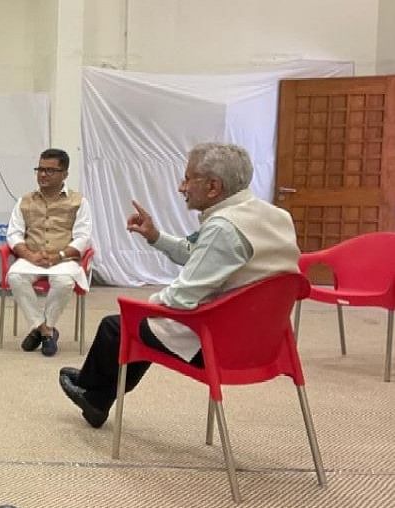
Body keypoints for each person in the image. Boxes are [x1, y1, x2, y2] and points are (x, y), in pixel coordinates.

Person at [60, 142, 300, 428]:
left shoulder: (224, 227)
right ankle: (96, 394)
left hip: (219, 346)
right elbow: (199, 254)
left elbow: (182, 297)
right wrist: (155, 236)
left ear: (213, 186)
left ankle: (94, 393)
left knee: (122, 325)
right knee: (145, 325)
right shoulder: (272, 215)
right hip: (267, 342)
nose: (181, 187)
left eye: (187, 178)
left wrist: (142, 308)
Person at [6, 148, 92, 357]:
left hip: (63, 258)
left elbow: (83, 237)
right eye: (40, 169)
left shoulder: (79, 201)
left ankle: (41, 330)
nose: (43, 175)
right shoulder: (24, 200)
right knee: (15, 277)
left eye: (50, 170)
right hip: (32, 257)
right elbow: (14, 234)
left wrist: (59, 256)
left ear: (65, 174)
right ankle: (46, 330)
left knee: (64, 282)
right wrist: (29, 255)